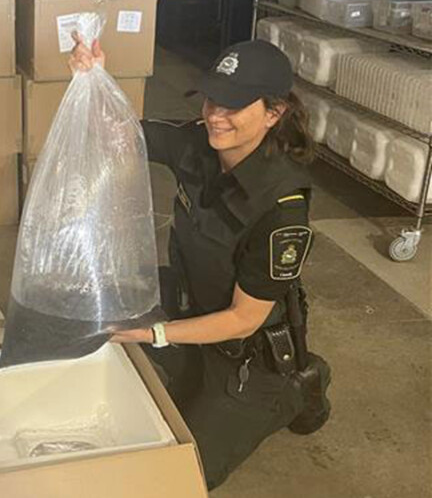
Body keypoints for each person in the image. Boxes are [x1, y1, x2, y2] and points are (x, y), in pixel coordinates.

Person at [70, 37, 332, 489]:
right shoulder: (197, 142)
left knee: (180, 477)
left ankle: (295, 390)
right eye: (212, 99)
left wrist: (151, 333)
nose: (215, 114)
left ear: (274, 113)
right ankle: (185, 365)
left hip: (243, 352)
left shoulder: (282, 209)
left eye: (234, 105)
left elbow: (243, 319)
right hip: (189, 304)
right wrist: (92, 81)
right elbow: (119, 134)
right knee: (85, 318)